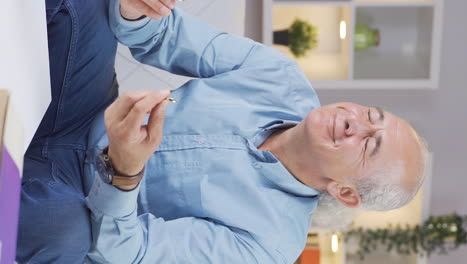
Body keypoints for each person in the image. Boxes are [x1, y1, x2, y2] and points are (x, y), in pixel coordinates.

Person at [83, 0, 428, 263]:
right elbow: (162, 35)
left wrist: (124, 172)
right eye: (371, 114)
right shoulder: (280, 75)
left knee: (55, 235)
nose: (357, 121)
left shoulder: (270, 244)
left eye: (369, 144)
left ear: (346, 193)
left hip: (82, 211)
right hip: (88, 117)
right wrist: (138, 10)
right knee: (77, 8)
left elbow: (127, 251)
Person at [16, 0, 119, 263]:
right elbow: (166, 36)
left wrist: (127, 176)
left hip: (96, 199)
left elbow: (138, 250)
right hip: (94, 119)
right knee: (85, 5)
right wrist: (137, 19)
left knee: (63, 232)